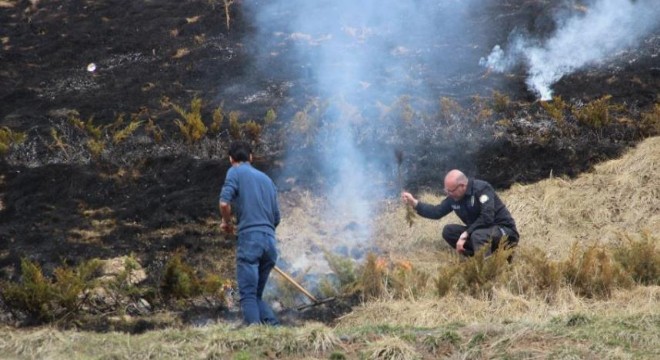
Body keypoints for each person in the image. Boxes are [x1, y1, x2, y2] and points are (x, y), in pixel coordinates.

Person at [219, 141, 280, 326]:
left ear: (231, 159)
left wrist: (227, 223)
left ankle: (254, 335)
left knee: (247, 295)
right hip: (270, 243)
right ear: (251, 157)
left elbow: (224, 203)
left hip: (250, 241)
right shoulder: (268, 180)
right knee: (255, 296)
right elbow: (276, 218)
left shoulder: (235, 171)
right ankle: (274, 327)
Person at [401, 169, 518, 257]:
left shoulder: (481, 189)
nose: (448, 194)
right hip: (480, 233)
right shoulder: (454, 198)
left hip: (504, 232)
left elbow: (487, 217)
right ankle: (481, 256)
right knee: (449, 231)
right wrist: (414, 203)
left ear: (462, 186)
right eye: (446, 191)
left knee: (478, 235)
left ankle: (486, 268)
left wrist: (466, 233)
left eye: (450, 191)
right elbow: (436, 212)